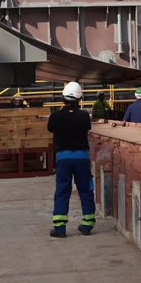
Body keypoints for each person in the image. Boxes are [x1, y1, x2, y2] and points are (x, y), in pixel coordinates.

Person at [47, 82, 96, 238]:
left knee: (62, 191)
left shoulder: (55, 116)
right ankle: (87, 225)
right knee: (86, 190)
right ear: (79, 99)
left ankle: (60, 228)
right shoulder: (83, 116)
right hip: (81, 157)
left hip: (63, 158)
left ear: (63, 98)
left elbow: (50, 128)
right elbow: (87, 128)